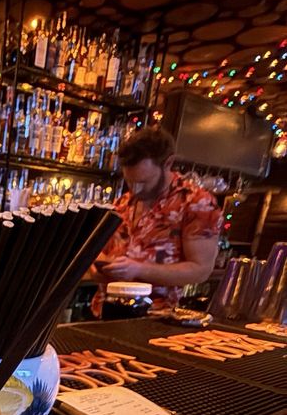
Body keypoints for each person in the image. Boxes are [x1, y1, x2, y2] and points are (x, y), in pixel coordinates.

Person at [92, 127, 222, 316]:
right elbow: (100, 252)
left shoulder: (196, 202)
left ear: (168, 163)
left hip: (154, 318)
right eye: (130, 182)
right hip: (105, 310)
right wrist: (95, 266)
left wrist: (139, 270)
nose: (135, 190)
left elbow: (200, 270)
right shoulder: (123, 203)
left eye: (143, 182)